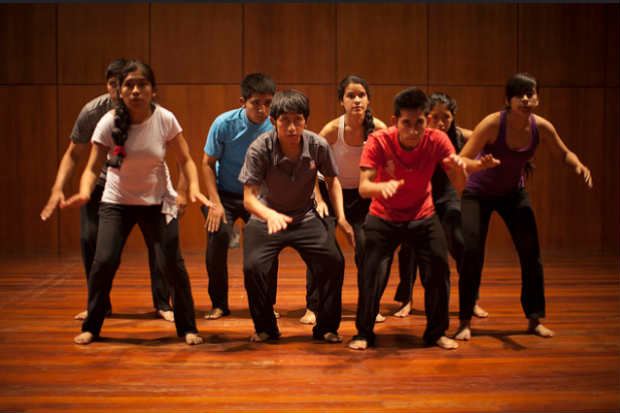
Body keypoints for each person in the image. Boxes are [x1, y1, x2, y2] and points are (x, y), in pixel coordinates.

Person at [61, 60, 213, 345]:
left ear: (153, 90)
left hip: (157, 201)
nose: (135, 90)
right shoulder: (108, 122)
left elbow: (186, 160)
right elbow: (93, 167)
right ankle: (92, 326)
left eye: (142, 84)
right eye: (129, 85)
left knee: (171, 264)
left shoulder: (165, 119)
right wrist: (84, 192)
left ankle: (188, 328)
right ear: (120, 90)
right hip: (116, 201)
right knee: (103, 261)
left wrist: (191, 188)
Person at [348, 87, 499, 351]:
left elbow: (457, 174)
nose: (414, 130)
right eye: (407, 123)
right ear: (396, 122)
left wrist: (472, 167)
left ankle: (436, 332)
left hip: (422, 215)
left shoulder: (437, 139)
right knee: (371, 272)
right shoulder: (379, 141)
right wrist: (380, 188)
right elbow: (363, 187)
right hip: (384, 216)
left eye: (419, 123)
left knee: (439, 268)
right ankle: (363, 333)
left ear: (426, 121)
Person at [454, 73, 592, 341]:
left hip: (512, 193)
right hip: (478, 194)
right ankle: (464, 322)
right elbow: (461, 159)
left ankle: (534, 318)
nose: (526, 99)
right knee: (472, 253)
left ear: (538, 98)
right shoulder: (493, 124)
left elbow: (564, 153)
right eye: (520, 95)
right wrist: (480, 165)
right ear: (508, 100)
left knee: (531, 254)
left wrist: (578, 165)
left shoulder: (541, 127)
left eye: (531, 94)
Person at [40, 58, 175, 322]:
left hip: (143, 184)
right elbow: (73, 155)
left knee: (158, 244)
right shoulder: (94, 112)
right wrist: (58, 188)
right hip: (103, 185)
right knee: (91, 240)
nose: (119, 91)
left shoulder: (150, 110)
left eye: (124, 84)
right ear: (110, 86)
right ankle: (99, 305)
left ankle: (163, 303)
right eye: (114, 85)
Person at [239, 89, 354, 343]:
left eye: (298, 120)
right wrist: (269, 214)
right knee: (253, 267)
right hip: (266, 215)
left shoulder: (317, 145)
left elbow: (333, 181)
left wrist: (342, 218)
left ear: (306, 121)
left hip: (305, 216)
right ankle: (266, 327)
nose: (292, 127)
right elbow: (249, 198)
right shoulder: (260, 148)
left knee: (333, 261)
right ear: (273, 121)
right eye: (285, 120)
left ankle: (326, 327)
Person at [301, 74, 391, 325]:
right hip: (329, 191)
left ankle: (370, 304)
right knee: (321, 246)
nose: (357, 100)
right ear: (342, 101)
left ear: (368, 100)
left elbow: (393, 164)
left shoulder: (380, 129)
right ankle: (313, 305)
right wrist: (317, 198)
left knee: (369, 248)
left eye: (361, 95)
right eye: (351, 95)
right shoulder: (332, 129)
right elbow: (309, 166)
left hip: (363, 195)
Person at [392, 92, 488, 319]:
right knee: (408, 248)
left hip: (446, 196)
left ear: (453, 118)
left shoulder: (459, 135)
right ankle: (406, 299)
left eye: (446, 117)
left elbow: (487, 138)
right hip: (416, 197)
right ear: (426, 117)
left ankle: (471, 299)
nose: (441, 123)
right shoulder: (416, 136)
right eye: (435, 117)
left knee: (461, 244)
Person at [201, 73, 278, 320]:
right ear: (242, 102)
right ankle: (219, 304)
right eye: (256, 103)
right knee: (218, 238)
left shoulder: (275, 126)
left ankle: (267, 304)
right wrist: (214, 203)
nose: (263, 109)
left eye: (268, 103)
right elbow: (207, 163)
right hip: (224, 193)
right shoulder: (224, 124)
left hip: (256, 195)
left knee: (268, 245)